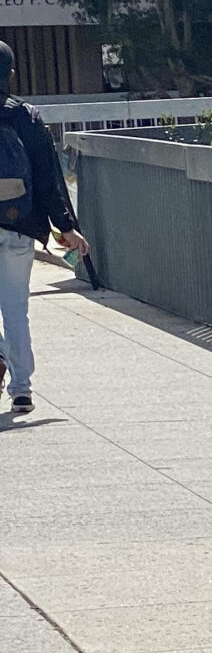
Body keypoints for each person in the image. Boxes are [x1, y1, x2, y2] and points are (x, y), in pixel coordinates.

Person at [0, 42, 90, 418]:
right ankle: (22, 390)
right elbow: (49, 178)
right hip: (21, 225)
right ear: (11, 74)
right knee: (16, 308)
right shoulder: (28, 117)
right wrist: (66, 227)